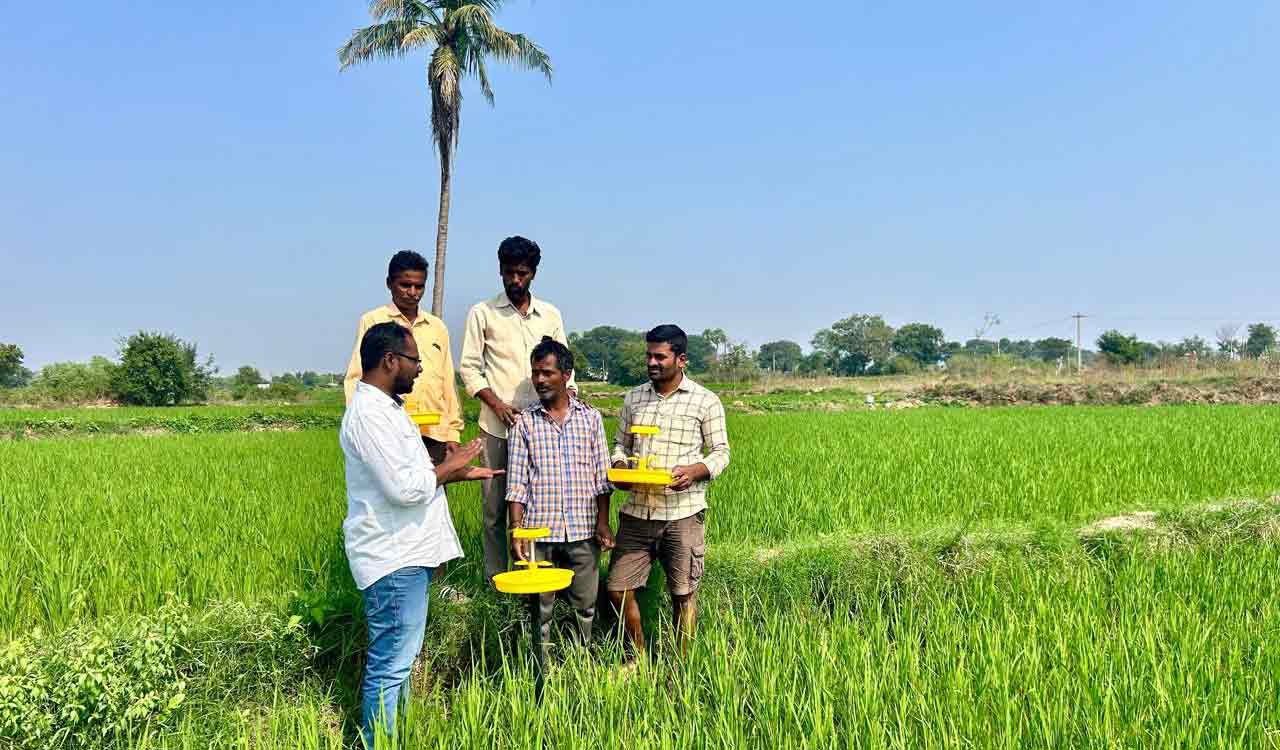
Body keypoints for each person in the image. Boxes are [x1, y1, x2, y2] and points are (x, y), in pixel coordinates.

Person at [340, 322, 501, 747]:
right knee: (391, 665)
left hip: (407, 554)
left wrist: (457, 472)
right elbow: (406, 489)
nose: (420, 369)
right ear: (390, 360)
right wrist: (457, 460)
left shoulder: (387, 409)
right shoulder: (369, 415)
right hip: (394, 558)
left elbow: (416, 475)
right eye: (414, 360)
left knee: (400, 660)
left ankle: (397, 736)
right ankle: (380, 742)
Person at [607, 324, 730, 659]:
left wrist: (694, 471)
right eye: (648, 355)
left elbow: (721, 452)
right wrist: (621, 467)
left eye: (660, 356)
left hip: (682, 512)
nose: (652, 362)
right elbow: (619, 445)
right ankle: (638, 658)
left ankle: (680, 665)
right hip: (637, 512)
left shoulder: (705, 401)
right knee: (618, 588)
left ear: (681, 359)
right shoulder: (633, 397)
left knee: (684, 592)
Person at [459, 236, 576, 582]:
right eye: (509, 273)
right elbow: (469, 367)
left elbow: (565, 367)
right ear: (500, 271)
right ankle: (496, 578)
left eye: (522, 273)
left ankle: (539, 577)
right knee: (495, 508)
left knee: (542, 502)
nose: (515, 280)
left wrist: (569, 408)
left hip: (543, 426)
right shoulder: (483, 313)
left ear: (533, 273)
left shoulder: (550, 314)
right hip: (498, 426)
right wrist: (496, 404)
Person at [506, 337, 614, 656]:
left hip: (582, 529)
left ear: (566, 374)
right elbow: (516, 482)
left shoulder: (590, 419)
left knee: (586, 604)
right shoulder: (525, 422)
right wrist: (517, 529)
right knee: (541, 608)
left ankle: (582, 660)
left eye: (547, 373)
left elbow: (601, 478)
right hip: (540, 532)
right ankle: (542, 665)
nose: (539, 380)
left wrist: (603, 524)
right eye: (535, 373)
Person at [344, 250, 464, 465]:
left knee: (433, 493)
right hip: (390, 431)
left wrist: (453, 433)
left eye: (419, 286)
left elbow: (447, 382)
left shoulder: (437, 327)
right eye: (405, 285)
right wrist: (361, 425)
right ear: (389, 283)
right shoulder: (373, 321)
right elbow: (356, 377)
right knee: (395, 492)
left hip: (434, 432)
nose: (412, 292)